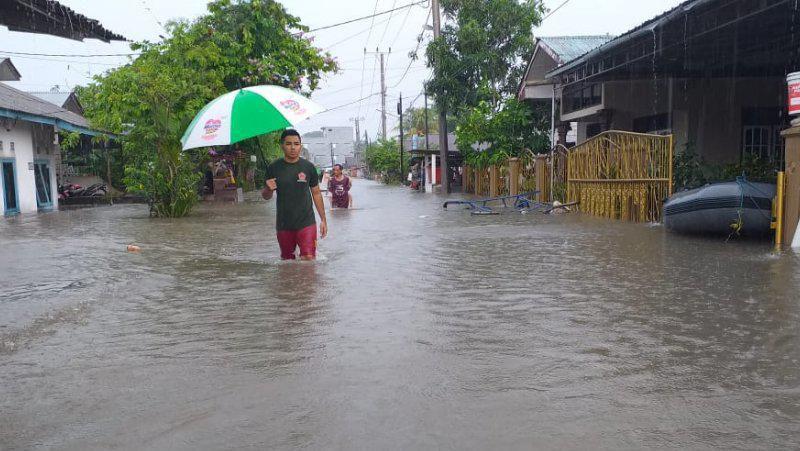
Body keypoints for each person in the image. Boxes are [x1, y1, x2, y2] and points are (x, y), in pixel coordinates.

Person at [261, 129, 327, 260]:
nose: (293, 147)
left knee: (308, 258)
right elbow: (266, 196)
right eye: (288, 144)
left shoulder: (308, 167)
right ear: (282, 145)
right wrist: (268, 189)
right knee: (287, 261)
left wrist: (323, 220)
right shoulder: (273, 168)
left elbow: (316, 193)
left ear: (300, 146)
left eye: (296, 144)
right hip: (284, 224)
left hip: (306, 221)